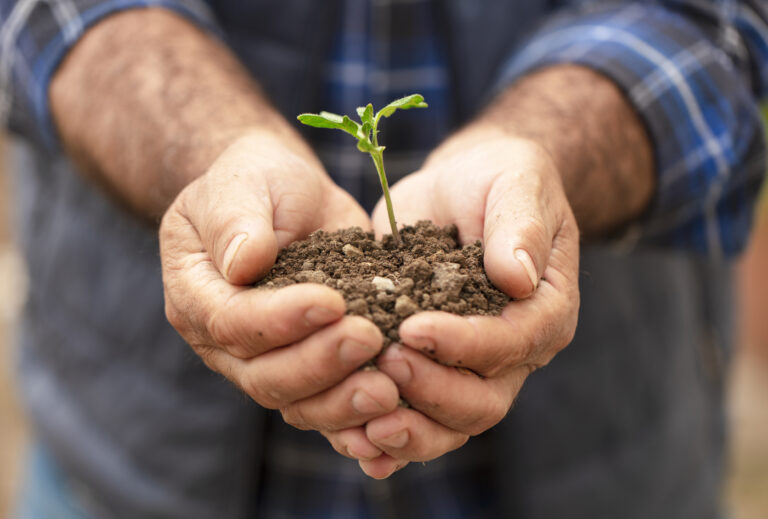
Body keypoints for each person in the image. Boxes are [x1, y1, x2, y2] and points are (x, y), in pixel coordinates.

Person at [2, 0, 766, 517]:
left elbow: (723, 18)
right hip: (132, 467)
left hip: (607, 469)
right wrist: (205, 150)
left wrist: (546, 153)